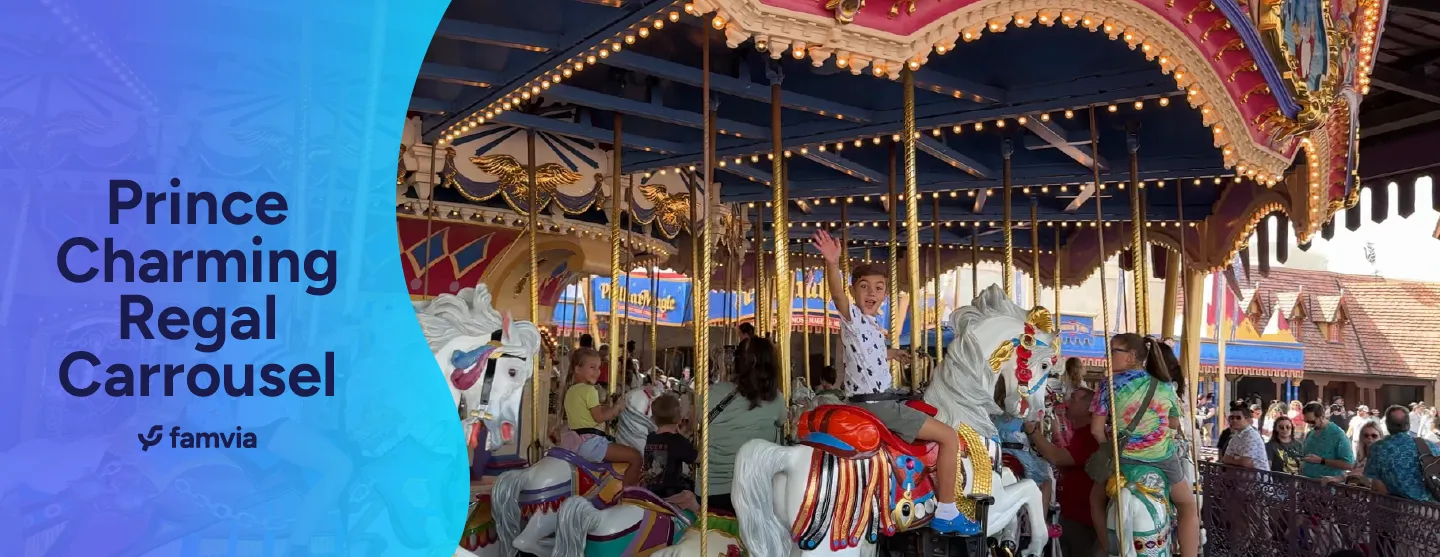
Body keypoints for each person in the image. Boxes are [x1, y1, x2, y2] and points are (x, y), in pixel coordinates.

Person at [813, 229, 968, 534]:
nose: (871, 293)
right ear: (853, 290)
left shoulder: (870, 326)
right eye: (864, 287)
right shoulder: (853, 317)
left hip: (875, 401)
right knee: (949, 436)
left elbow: (867, 352)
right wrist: (832, 263)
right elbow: (837, 296)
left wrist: (892, 353)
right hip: (878, 406)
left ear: (885, 294)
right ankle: (948, 510)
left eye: (879, 288)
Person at [1088, 333, 1197, 557]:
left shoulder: (1107, 386)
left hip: (1123, 460)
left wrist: (1110, 448)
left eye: (1113, 351)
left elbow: (1096, 430)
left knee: (1095, 500)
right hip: (1162, 459)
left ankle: (1108, 547)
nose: (1108, 356)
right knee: (1187, 506)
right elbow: (1175, 423)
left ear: (1131, 356)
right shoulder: (1164, 386)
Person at [702, 336, 787, 512]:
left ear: (736, 362)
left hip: (713, 490)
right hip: (756, 490)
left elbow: (696, 421)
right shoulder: (775, 399)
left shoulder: (711, 393)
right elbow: (782, 422)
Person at [1027, 387, 1100, 557]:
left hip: (1082, 518)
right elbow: (1066, 466)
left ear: (1087, 408)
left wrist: (1032, 431)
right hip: (1071, 513)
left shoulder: (1089, 437)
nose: (1067, 403)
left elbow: (1057, 457)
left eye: (1073, 399)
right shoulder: (1080, 434)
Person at [563, 347, 643, 485]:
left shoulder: (570, 390)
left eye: (599, 367)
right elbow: (599, 417)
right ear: (577, 369)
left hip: (576, 442)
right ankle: (629, 493)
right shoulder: (589, 390)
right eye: (592, 367)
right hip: (591, 444)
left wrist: (609, 407)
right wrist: (617, 408)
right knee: (636, 457)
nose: (597, 372)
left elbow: (587, 414)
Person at [1356, 405, 1439, 502]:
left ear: (1387, 425)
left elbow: (1377, 486)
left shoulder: (1378, 448)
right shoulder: (1429, 444)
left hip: (1396, 507)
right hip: (1430, 506)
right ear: (1408, 424)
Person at [641, 394, 698, 498]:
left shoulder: (651, 438)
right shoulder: (677, 440)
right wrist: (703, 441)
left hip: (651, 491)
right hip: (671, 495)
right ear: (679, 418)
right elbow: (697, 458)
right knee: (693, 499)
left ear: (654, 419)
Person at [1299, 401, 1355, 480]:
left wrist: (1322, 461)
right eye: (1307, 422)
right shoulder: (1310, 433)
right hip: (1307, 483)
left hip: (1328, 484)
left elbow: (1349, 465)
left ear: (1322, 416)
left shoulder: (1338, 435)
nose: (1310, 425)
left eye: (1312, 422)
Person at [1221, 400, 1270, 470]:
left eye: (1238, 418)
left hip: (1258, 476)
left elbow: (1245, 462)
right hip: (1241, 476)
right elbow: (1225, 459)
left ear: (1247, 419)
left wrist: (1235, 458)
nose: (1234, 420)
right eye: (1232, 418)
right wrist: (1239, 459)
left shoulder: (1251, 435)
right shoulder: (1235, 436)